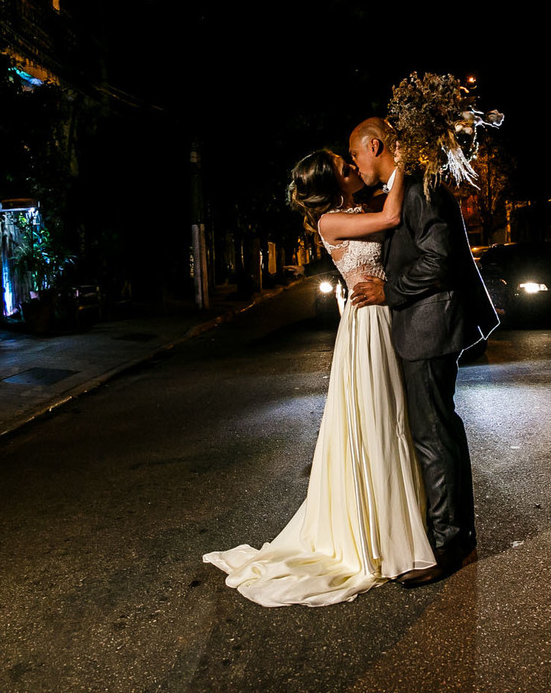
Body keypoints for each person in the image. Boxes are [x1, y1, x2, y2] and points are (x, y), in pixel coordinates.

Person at [202, 149, 435, 607]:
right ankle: (381, 536)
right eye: (345, 166)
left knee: (398, 417)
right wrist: (403, 159)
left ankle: (404, 520)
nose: (353, 167)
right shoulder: (331, 221)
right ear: (332, 182)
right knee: (378, 420)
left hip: (387, 315)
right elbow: (392, 218)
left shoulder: (357, 207)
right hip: (368, 324)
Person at [348, 117, 499, 588]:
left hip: (428, 329)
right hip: (423, 328)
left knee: (432, 436)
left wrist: (389, 290)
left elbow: (439, 260)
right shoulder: (409, 188)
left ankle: (447, 546)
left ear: (375, 146)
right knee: (440, 431)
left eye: (356, 155)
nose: (356, 164)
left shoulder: (418, 190)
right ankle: (457, 534)